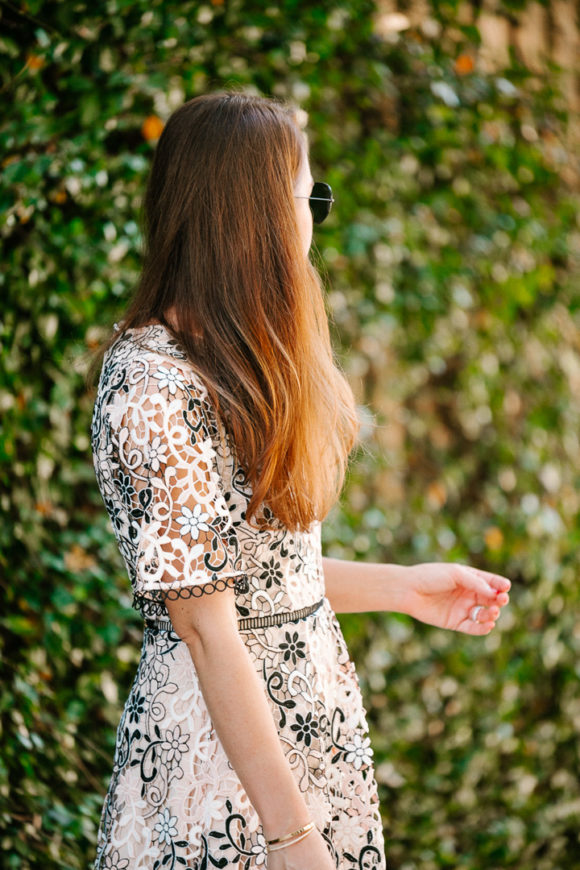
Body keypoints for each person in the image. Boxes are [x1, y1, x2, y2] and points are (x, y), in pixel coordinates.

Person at [88, 91, 511, 870]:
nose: (313, 219)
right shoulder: (152, 382)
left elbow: (254, 582)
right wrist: (292, 838)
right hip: (227, 777)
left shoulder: (236, 360)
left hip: (306, 751)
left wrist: (405, 588)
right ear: (249, 212)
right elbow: (207, 628)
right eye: (307, 196)